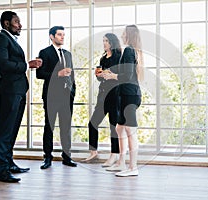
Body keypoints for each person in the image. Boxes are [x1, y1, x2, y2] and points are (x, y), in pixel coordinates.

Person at [0, 11, 42, 183]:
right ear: (6, 23)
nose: (20, 25)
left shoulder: (10, 40)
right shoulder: (0, 39)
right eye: (16, 22)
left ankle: (9, 163)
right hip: (9, 91)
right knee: (4, 131)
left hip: (18, 91)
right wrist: (28, 65)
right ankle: (1, 171)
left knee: (12, 130)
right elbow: (4, 65)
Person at [102, 25, 144, 177]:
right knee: (120, 128)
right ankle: (121, 163)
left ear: (129, 35)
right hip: (125, 94)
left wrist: (112, 76)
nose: (122, 34)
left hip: (130, 96)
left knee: (130, 131)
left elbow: (127, 75)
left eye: (124, 32)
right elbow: (125, 72)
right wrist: (110, 73)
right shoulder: (132, 50)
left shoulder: (129, 50)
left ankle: (133, 168)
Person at [36, 26, 77, 169]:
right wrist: (57, 74)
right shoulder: (44, 52)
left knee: (66, 128)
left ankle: (67, 157)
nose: (62, 37)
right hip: (51, 96)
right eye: (59, 35)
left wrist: (73, 92)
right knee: (49, 127)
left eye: (64, 35)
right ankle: (47, 157)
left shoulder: (68, 54)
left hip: (67, 96)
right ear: (51, 36)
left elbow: (72, 75)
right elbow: (39, 74)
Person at [81, 33, 121, 167]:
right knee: (92, 123)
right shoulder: (103, 58)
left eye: (106, 41)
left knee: (113, 126)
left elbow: (120, 76)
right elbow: (101, 77)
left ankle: (114, 155)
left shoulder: (118, 57)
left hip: (114, 95)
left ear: (112, 43)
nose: (104, 43)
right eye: (103, 41)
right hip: (102, 95)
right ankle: (93, 151)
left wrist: (109, 74)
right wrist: (98, 75)